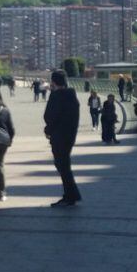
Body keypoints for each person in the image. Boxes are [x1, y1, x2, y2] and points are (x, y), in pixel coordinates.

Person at [43, 70, 80, 207]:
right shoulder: (72, 96)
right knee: (64, 166)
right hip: (69, 136)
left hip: (58, 137)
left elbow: (50, 116)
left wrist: (48, 130)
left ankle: (71, 196)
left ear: (54, 81)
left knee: (62, 166)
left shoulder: (57, 96)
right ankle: (71, 194)